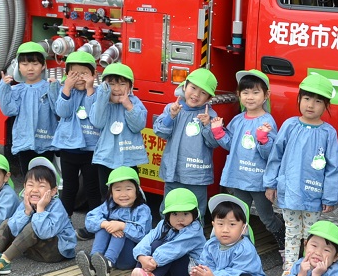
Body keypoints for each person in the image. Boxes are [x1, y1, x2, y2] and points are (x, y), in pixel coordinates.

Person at [263, 72, 338, 275]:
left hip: (312, 195)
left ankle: (308, 269)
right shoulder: (290, 125)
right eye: (306, 98)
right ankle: (289, 270)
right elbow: (276, 156)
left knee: (312, 236)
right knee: (291, 232)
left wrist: (329, 196)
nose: (310, 105)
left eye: (317, 101)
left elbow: (333, 168)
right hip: (289, 191)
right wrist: (271, 184)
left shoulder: (328, 133)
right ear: (299, 99)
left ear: (326, 106)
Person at [211, 69, 284, 251]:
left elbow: (270, 154)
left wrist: (263, 139)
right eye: (245, 92)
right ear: (239, 95)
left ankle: (284, 242)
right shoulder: (237, 120)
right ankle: (242, 248)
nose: (250, 97)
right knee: (239, 216)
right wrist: (218, 132)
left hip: (258, 181)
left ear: (266, 95)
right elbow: (231, 145)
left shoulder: (268, 121)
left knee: (266, 217)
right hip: (238, 178)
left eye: (255, 92)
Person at [0, 157, 76, 275]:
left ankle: (4, 260)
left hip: (55, 252)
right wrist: (26, 212)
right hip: (33, 251)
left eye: (41, 186)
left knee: (33, 227)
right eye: (30, 185)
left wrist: (40, 209)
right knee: (7, 222)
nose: (34, 190)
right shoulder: (26, 202)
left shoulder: (56, 206)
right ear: (25, 187)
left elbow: (45, 233)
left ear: (53, 191)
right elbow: (14, 229)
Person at [115, 188, 206, 276]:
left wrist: (153, 262)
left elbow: (174, 248)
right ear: (167, 215)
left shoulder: (194, 230)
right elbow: (148, 238)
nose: (180, 218)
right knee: (155, 243)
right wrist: (141, 256)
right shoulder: (164, 224)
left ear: (194, 214)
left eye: (186, 213)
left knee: (171, 249)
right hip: (166, 275)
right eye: (175, 214)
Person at [188, 194, 268, 276]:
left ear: (243, 227)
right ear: (213, 225)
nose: (225, 229)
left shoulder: (245, 247)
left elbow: (236, 273)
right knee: (198, 271)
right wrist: (204, 275)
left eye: (232, 224)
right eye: (220, 224)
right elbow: (206, 265)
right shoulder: (211, 245)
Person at [153, 68, 219, 217]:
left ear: (209, 98)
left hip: (197, 175)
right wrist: (171, 116)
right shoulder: (172, 108)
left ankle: (194, 239)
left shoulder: (210, 115)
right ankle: (167, 237)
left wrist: (207, 125)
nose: (196, 94)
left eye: (203, 92)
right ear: (184, 87)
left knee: (196, 211)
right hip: (173, 172)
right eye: (193, 88)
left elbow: (214, 143)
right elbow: (160, 132)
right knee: (169, 208)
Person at [50, 51, 102, 227]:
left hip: (90, 148)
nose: (79, 77)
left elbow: (95, 114)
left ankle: (95, 223)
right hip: (68, 148)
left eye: (84, 73)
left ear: (93, 75)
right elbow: (62, 112)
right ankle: (65, 221)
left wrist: (89, 89)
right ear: (67, 74)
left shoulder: (97, 92)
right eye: (74, 73)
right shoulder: (65, 91)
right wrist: (66, 88)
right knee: (69, 188)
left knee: (92, 188)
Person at [75, 167, 152, 276]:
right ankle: (94, 261)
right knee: (102, 226)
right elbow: (90, 219)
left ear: (137, 190)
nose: (123, 194)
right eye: (118, 190)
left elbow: (143, 235)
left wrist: (123, 226)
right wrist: (105, 224)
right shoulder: (109, 205)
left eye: (128, 189)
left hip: (129, 257)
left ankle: (108, 264)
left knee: (120, 229)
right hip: (105, 255)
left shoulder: (142, 210)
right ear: (111, 193)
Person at [0, 42, 57, 181]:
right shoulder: (17, 90)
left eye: (35, 64)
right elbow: (9, 110)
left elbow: (57, 109)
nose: (30, 68)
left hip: (45, 141)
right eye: (24, 64)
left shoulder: (49, 87)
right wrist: (4, 88)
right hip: (24, 142)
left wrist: (55, 88)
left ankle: (45, 202)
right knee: (28, 178)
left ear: (43, 66)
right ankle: (28, 203)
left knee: (45, 179)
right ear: (18, 66)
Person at [90, 62, 147, 203]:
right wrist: (103, 97)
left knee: (130, 195)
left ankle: (127, 223)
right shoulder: (101, 103)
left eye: (122, 84)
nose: (116, 89)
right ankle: (108, 223)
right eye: (111, 84)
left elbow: (138, 125)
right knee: (106, 194)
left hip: (128, 157)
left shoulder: (135, 102)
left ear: (130, 86)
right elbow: (97, 122)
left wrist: (128, 106)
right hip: (106, 158)